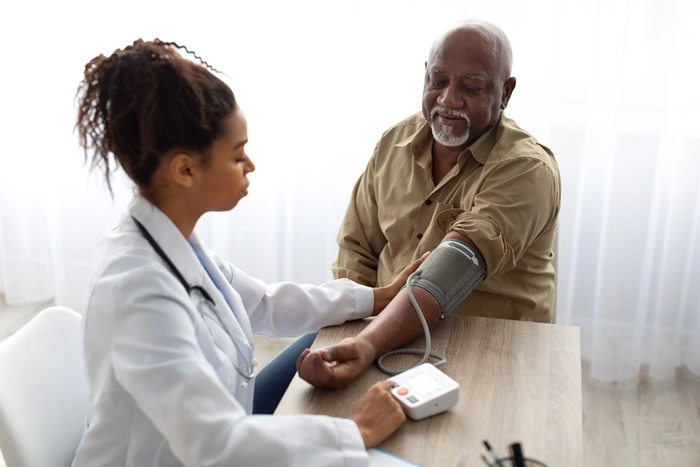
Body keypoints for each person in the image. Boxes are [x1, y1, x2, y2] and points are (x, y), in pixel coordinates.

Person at [71, 39, 427, 467]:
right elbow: (215, 445)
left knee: (326, 335)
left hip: (223, 424)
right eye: (237, 155)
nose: (251, 165)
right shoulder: (136, 291)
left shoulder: (173, 240)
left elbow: (264, 302)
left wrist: (379, 296)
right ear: (185, 169)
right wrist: (355, 431)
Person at [297, 20, 560, 389]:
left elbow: (451, 270)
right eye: (437, 81)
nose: (448, 99)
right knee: (268, 408)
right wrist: (349, 329)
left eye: (471, 86)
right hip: (374, 327)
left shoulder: (525, 168)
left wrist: (365, 345)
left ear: (506, 93)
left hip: (486, 347)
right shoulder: (395, 141)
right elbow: (356, 249)